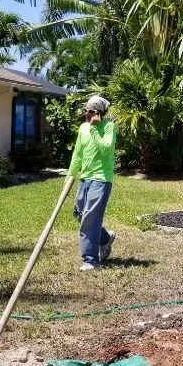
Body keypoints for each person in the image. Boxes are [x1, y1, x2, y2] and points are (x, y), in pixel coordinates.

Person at [68, 95, 117, 270]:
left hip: (101, 179)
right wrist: (71, 174)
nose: (88, 114)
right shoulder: (83, 128)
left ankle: (91, 260)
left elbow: (105, 150)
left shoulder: (109, 127)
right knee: (79, 213)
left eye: (92, 111)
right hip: (85, 177)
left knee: (90, 218)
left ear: (100, 113)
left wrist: (95, 129)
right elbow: (78, 153)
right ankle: (104, 238)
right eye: (86, 110)